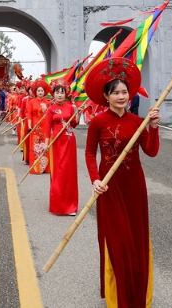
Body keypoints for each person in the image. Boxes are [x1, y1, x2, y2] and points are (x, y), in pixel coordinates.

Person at [84, 57, 161, 307]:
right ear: (106, 96)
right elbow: (89, 153)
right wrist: (95, 179)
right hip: (109, 187)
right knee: (117, 241)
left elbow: (151, 152)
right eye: (115, 92)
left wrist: (154, 127)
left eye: (124, 92)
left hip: (134, 187)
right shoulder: (98, 122)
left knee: (136, 240)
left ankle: (138, 292)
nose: (121, 96)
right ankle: (118, 297)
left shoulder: (137, 122)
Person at [43, 79, 79, 215]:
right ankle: (58, 206)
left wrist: (78, 112)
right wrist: (46, 144)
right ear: (53, 94)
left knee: (69, 173)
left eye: (62, 92)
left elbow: (74, 124)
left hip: (70, 142)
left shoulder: (70, 107)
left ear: (66, 94)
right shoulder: (51, 109)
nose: (59, 95)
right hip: (56, 143)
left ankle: (70, 206)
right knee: (58, 172)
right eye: (57, 92)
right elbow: (47, 128)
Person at [26, 79, 51, 174]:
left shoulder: (48, 102)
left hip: (45, 126)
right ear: (35, 92)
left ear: (44, 92)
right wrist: (29, 126)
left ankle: (45, 167)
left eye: (42, 91)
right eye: (38, 91)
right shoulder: (32, 102)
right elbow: (29, 115)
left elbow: (50, 116)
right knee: (36, 146)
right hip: (35, 126)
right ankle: (36, 167)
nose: (40, 92)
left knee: (44, 145)